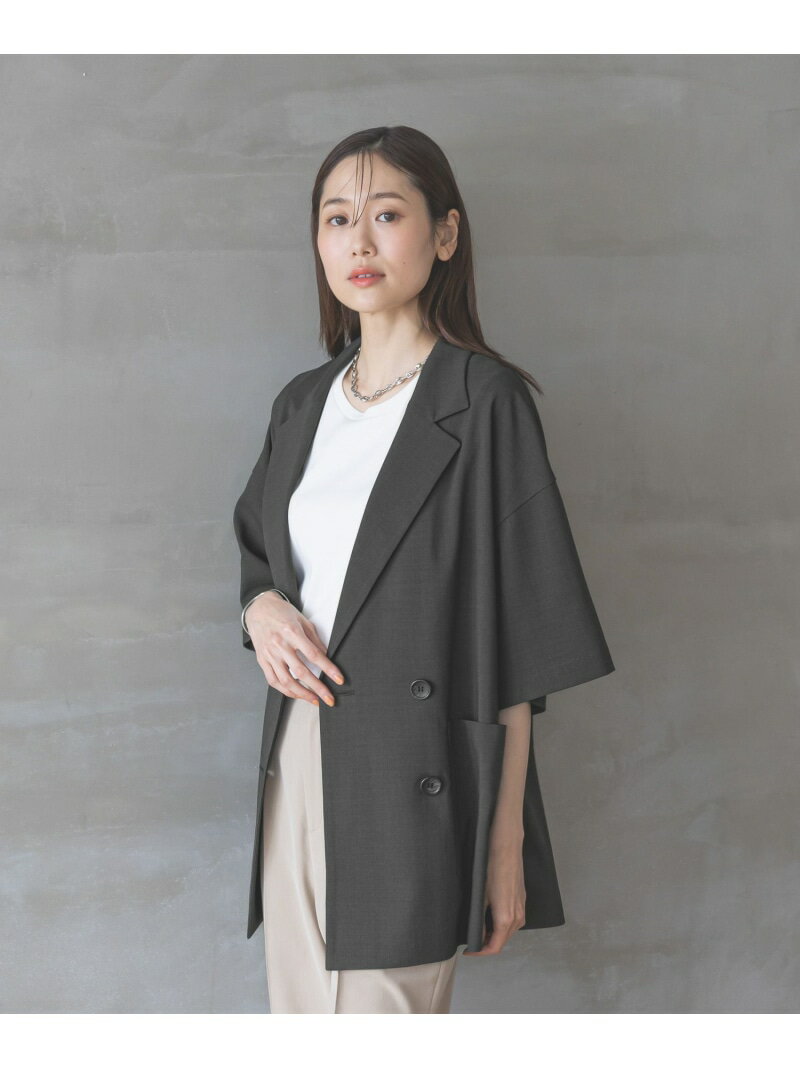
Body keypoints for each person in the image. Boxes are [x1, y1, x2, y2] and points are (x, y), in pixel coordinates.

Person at [233, 125, 615, 1013]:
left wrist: (505, 843)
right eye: (337, 218)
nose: (358, 242)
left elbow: (519, 644)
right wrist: (260, 607)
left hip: (414, 770)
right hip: (296, 752)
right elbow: (259, 551)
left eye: (387, 215)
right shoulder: (301, 405)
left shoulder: (484, 403)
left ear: (444, 234)